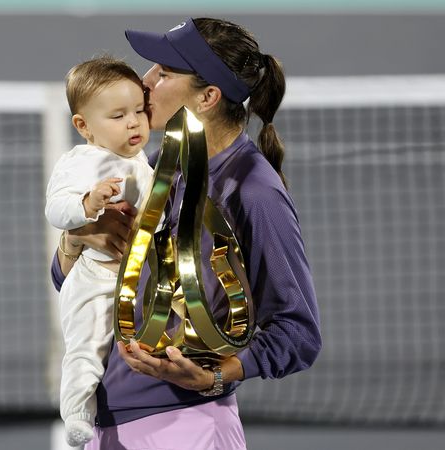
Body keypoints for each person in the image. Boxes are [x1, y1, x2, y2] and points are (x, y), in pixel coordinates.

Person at [51, 18, 322, 449]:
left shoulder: (253, 190)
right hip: (109, 422)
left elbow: (298, 333)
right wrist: (77, 242)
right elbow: (71, 281)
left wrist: (217, 376)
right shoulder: (156, 164)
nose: (144, 83)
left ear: (208, 97)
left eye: (163, 73)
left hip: (185, 425)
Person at [45, 55, 153, 447]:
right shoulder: (80, 162)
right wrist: (88, 206)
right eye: (118, 115)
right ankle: (77, 413)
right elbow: (55, 207)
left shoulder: (141, 161)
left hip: (137, 280)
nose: (133, 122)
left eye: (139, 111)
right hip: (94, 278)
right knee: (87, 345)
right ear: (83, 126)